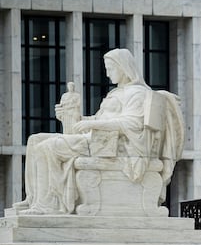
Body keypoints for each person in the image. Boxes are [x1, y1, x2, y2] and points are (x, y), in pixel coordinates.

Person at [14, 48, 178, 215]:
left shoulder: (137, 93)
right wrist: (73, 117)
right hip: (98, 139)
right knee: (35, 140)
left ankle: (47, 204)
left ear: (123, 68)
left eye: (110, 69)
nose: (107, 74)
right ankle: (34, 198)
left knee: (47, 147)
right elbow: (99, 119)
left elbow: (132, 123)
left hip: (112, 145)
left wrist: (93, 125)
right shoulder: (116, 93)